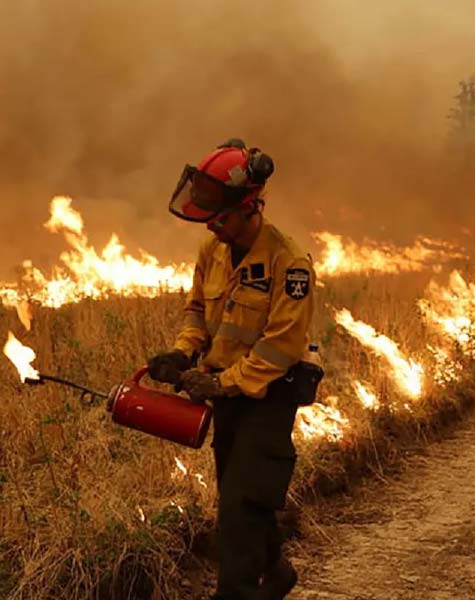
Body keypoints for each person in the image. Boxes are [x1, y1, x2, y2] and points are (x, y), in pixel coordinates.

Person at [147, 139, 316, 599]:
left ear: (249, 208)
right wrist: (183, 353)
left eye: (220, 219)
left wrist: (221, 383)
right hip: (225, 396)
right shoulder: (213, 251)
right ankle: (275, 571)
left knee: (241, 503)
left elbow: (282, 345)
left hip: (269, 395)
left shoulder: (289, 263)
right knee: (243, 495)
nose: (212, 226)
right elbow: (197, 311)